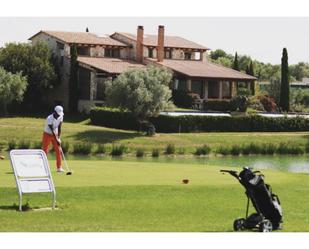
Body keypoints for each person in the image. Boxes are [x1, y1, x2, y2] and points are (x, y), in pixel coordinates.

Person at [42, 105, 64, 172]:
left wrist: (59, 138)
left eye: (59, 114)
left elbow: (59, 128)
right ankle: (43, 167)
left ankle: (59, 167)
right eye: (57, 114)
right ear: (54, 112)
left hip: (55, 134)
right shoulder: (49, 118)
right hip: (47, 134)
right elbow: (51, 130)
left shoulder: (61, 116)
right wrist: (56, 139)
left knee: (58, 150)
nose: (58, 116)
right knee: (45, 151)